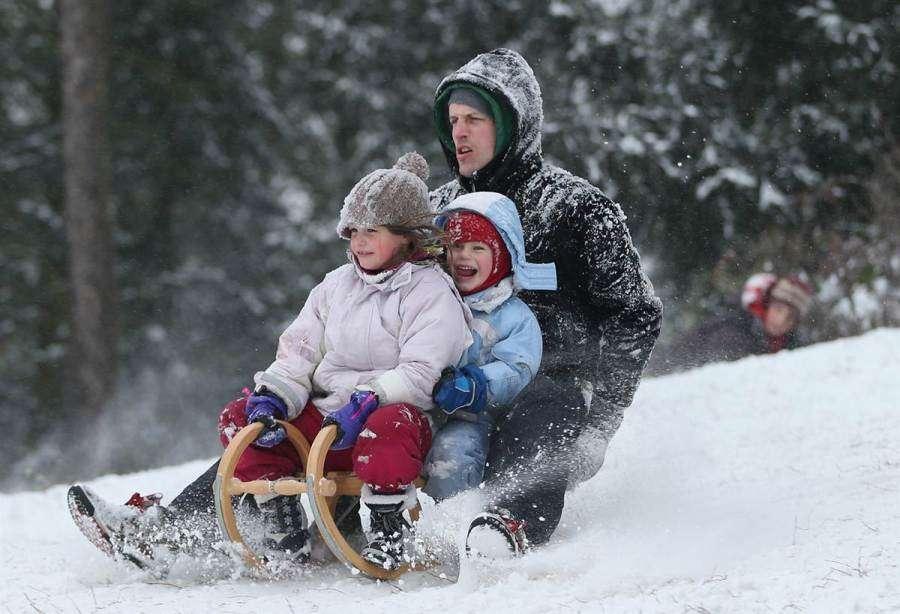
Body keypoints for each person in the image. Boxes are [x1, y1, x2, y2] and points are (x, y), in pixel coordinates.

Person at [68, 152, 473, 573]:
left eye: (372, 231)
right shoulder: (336, 287)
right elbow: (298, 352)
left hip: (391, 421)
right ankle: (278, 522)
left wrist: (371, 400)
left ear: (406, 236)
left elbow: (422, 370)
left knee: (388, 428)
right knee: (242, 419)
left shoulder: (430, 292)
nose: (360, 242)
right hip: (327, 421)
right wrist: (274, 396)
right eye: (353, 231)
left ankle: (390, 532)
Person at [429, 49, 663, 554]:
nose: (459, 134)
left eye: (474, 119)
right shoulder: (435, 212)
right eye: (452, 122)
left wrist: (601, 424)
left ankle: (505, 524)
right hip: (447, 390)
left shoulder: (577, 209)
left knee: (546, 407)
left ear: (513, 124)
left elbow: (635, 313)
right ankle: (234, 514)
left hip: (543, 396)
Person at [423, 191, 556, 504]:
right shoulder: (430, 299)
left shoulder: (513, 316)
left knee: (452, 453)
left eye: (478, 248)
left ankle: (444, 526)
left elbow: (518, 367)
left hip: (475, 416)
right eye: (455, 246)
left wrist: (475, 385)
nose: (463, 256)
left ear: (502, 258)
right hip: (423, 407)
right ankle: (381, 521)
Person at [649, 272, 813, 374]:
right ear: (767, 306)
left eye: (790, 317)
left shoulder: (790, 347)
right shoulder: (734, 333)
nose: (781, 321)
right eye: (778, 309)